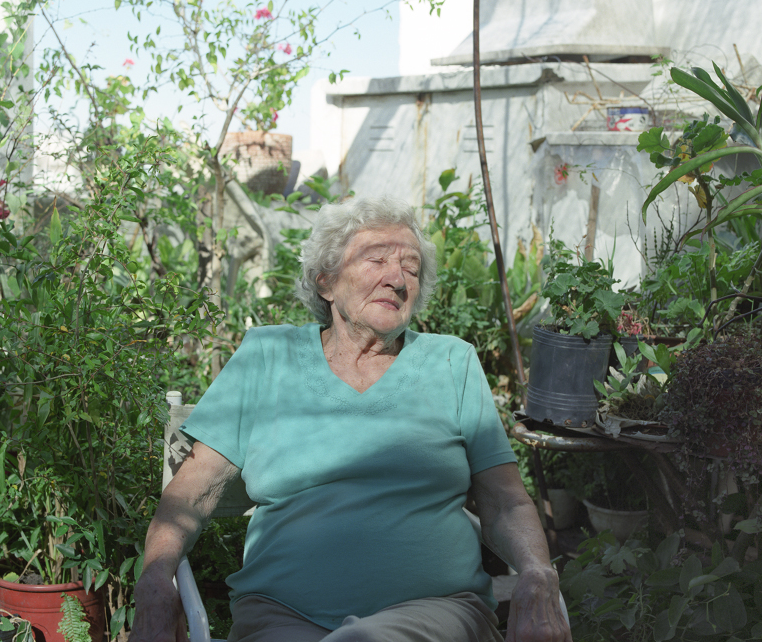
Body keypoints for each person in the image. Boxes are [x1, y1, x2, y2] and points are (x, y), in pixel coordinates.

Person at [130, 197, 571, 642]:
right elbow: (193, 492)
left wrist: (538, 572)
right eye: (376, 260)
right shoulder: (266, 356)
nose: (397, 279)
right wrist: (154, 579)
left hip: (437, 612)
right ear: (326, 281)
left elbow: (506, 502)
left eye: (411, 268)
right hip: (281, 616)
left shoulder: (452, 363)